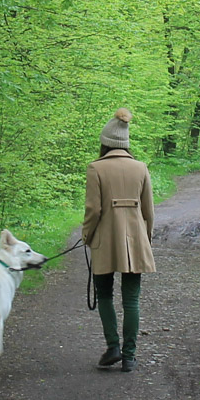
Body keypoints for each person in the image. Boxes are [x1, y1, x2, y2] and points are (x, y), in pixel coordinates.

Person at [82, 108, 155, 372]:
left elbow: (93, 211)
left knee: (104, 294)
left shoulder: (96, 168)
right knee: (131, 299)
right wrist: (146, 239)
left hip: (105, 241)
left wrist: (86, 236)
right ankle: (130, 356)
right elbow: (149, 211)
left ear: (105, 142)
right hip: (135, 241)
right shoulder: (141, 168)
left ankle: (113, 346)